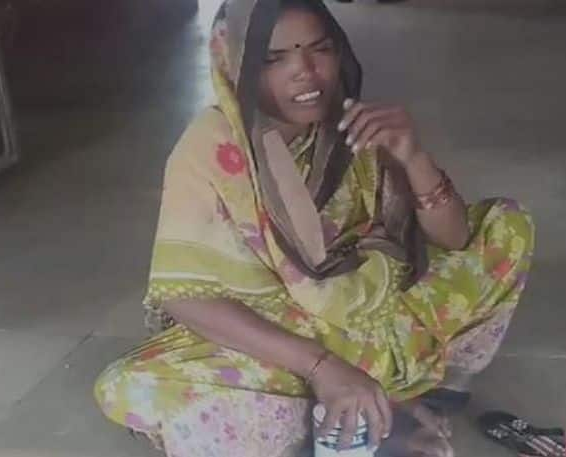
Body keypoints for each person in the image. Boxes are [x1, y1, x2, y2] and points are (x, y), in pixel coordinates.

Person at [94, 1, 534, 456]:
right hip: (284, 337)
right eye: (274, 58)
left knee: (506, 227)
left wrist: (413, 156)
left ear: (339, 51)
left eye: (318, 49)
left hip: (375, 313)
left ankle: (398, 401)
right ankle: (367, 411)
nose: (304, 71)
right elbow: (187, 298)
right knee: (136, 385)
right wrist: (323, 368)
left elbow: (456, 239)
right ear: (236, 64)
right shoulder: (211, 150)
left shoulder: (355, 126)